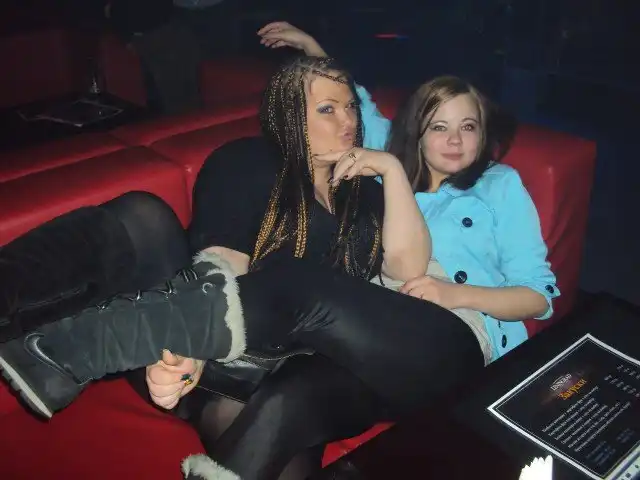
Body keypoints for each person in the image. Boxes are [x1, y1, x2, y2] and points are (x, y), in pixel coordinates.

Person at [0, 53, 490, 479]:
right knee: (142, 216)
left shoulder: (367, 192)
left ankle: (67, 350)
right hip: (236, 357)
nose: (346, 120)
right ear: (289, 113)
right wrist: (193, 347)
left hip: (308, 364)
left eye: (350, 108)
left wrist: (390, 169)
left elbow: (408, 268)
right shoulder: (249, 160)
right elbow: (223, 261)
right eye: (327, 109)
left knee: (292, 390)